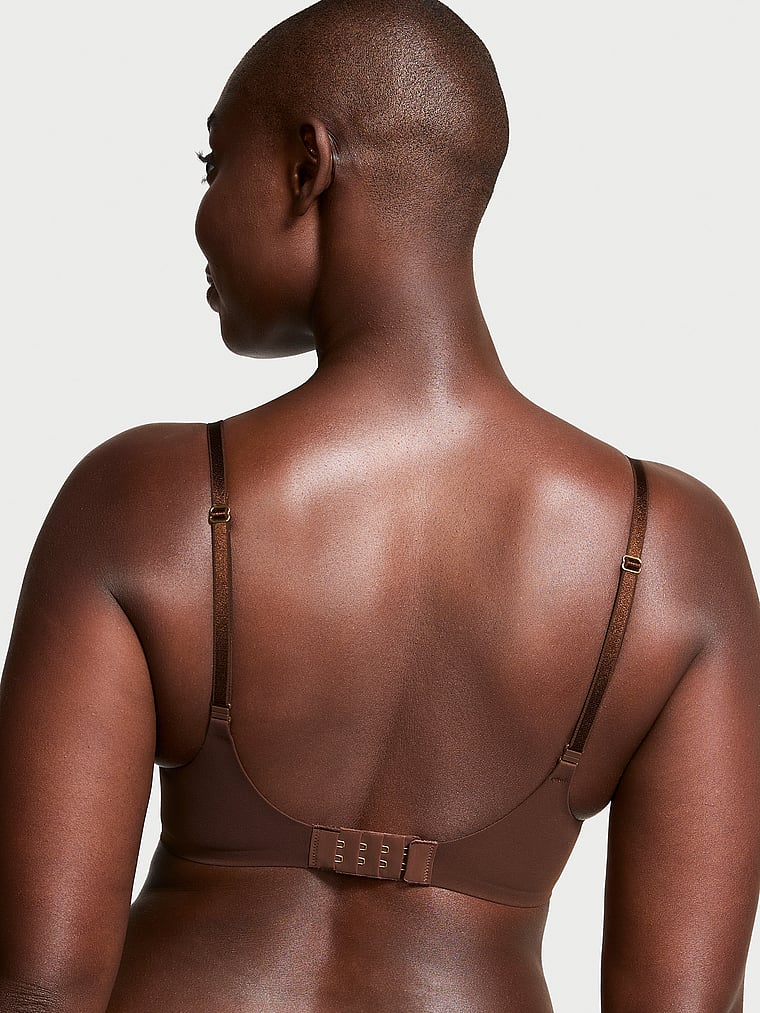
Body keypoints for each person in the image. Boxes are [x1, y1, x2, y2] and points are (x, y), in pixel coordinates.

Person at [1, 0, 758, 1009]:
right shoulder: (671, 554)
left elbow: (39, 990)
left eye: (213, 163)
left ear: (307, 166)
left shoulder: (141, 503)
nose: (200, 214)